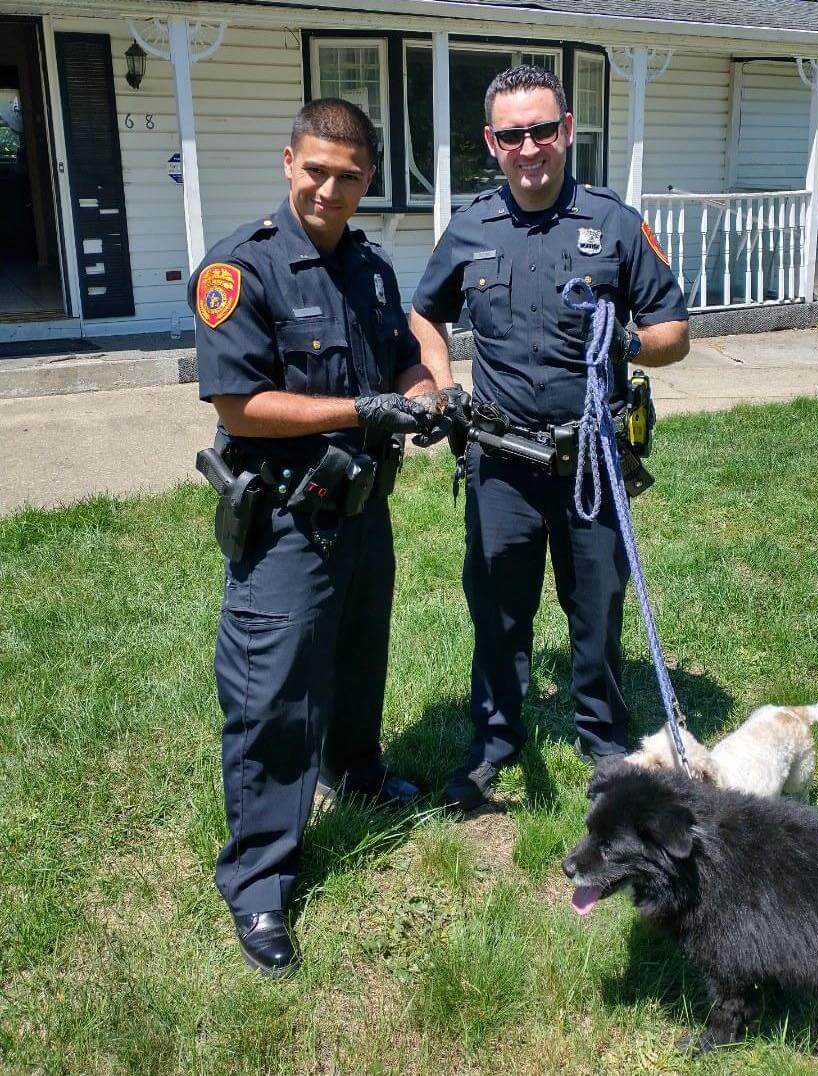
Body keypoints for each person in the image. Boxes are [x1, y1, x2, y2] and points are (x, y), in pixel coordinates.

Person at [189, 98, 446, 977]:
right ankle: (258, 879)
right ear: (288, 162)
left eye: (349, 176)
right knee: (272, 696)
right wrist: (363, 410)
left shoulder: (369, 268)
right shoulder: (240, 268)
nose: (330, 190)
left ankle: (356, 771)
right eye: (316, 171)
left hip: (363, 507)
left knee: (358, 655)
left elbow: (402, 352)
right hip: (286, 519)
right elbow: (239, 405)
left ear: (368, 178)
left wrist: (424, 393)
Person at [409, 65, 690, 811]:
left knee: (595, 605)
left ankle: (603, 743)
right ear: (491, 142)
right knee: (498, 608)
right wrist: (439, 383)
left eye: (541, 130)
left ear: (566, 130)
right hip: (500, 461)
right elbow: (423, 314)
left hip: (590, 456)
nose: (528, 147)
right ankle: (494, 741)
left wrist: (625, 342)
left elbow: (674, 331)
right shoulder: (470, 227)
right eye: (512, 135)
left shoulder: (615, 224)